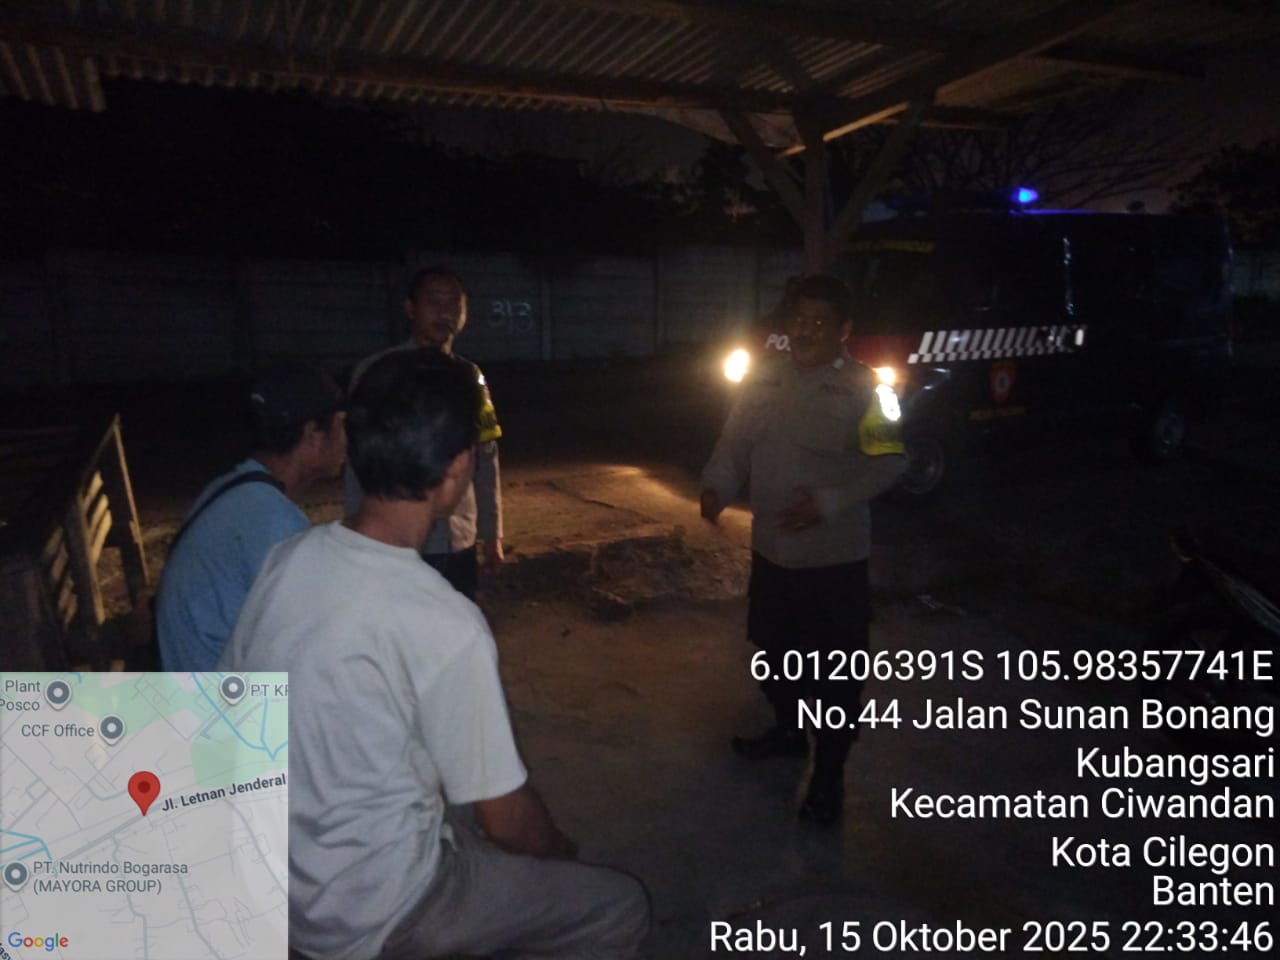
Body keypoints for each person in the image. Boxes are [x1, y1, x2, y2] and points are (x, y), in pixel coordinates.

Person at [221, 350, 649, 960]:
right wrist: (560, 854)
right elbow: (507, 818)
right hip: (380, 915)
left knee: (452, 819)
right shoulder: (444, 621)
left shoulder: (285, 561)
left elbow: (229, 719)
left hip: (282, 891)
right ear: (457, 467)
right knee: (620, 907)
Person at [699, 273, 906, 825]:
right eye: (798, 319)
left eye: (819, 321)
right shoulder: (763, 378)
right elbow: (734, 444)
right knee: (774, 656)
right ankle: (789, 734)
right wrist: (717, 486)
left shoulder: (870, 389)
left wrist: (830, 502)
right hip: (773, 555)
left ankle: (829, 777)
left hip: (833, 563)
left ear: (844, 330)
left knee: (836, 679)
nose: (805, 330)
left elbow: (892, 462)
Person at [155, 361, 346, 672]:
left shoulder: (238, 486)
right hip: (216, 699)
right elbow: (313, 645)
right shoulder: (272, 523)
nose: (347, 437)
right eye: (340, 423)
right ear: (313, 433)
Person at [345, 266, 502, 600]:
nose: (444, 311)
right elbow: (359, 459)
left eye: (453, 302)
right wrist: (357, 529)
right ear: (410, 308)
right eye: (433, 301)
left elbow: (487, 456)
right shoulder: (378, 374)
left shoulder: (472, 378)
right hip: (395, 540)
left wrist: (492, 533)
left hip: (458, 539)